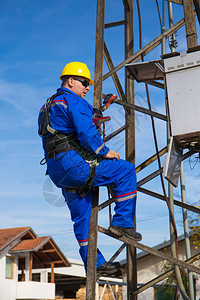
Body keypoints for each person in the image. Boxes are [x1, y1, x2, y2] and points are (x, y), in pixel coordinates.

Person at [38, 61, 142, 275]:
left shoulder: (48, 105)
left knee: (81, 216)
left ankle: (95, 264)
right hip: (74, 166)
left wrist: (98, 110)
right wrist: (105, 151)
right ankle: (122, 223)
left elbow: (65, 129)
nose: (87, 88)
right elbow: (86, 132)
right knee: (125, 170)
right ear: (70, 81)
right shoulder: (73, 100)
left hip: (58, 171)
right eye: (85, 83)